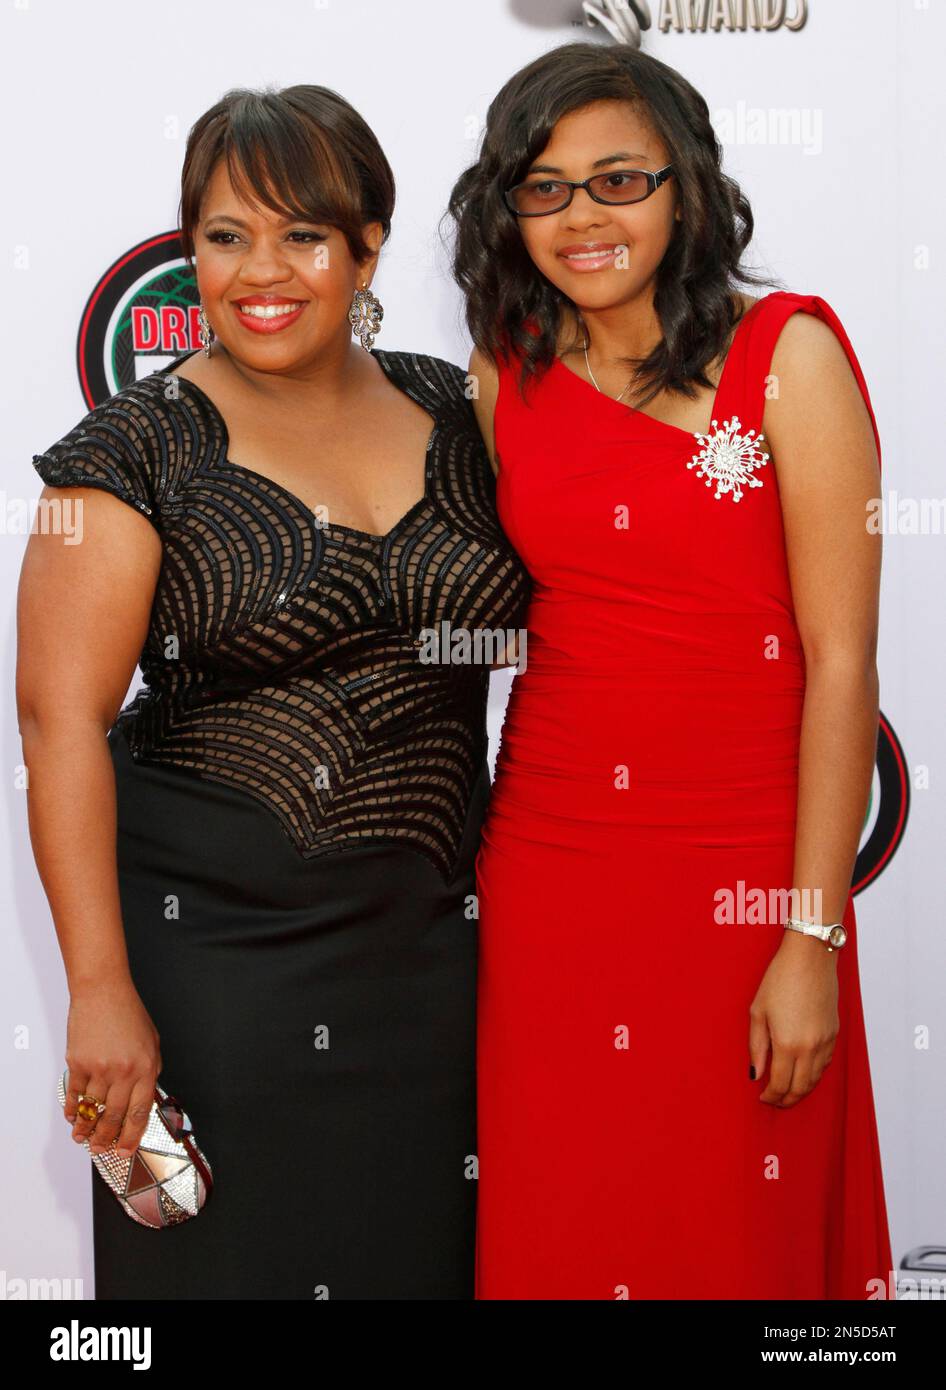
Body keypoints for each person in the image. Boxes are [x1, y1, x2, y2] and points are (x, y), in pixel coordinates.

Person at [18, 84, 530, 1300]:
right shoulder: (129, 449)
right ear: (186, 247)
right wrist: (100, 991)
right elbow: (60, 725)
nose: (263, 270)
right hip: (217, 971)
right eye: (223, 234)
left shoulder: (465, 409)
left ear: (367, 246)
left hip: (434, 965)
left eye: (302, 234)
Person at [448, 42, 893, 1299]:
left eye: (618, 178)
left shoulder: (785, 354)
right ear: (509, 210)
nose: (582, 216)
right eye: (544, 187)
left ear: (685, 189)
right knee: (569, 1209)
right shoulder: (504, 373)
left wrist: (810, 931)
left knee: (732, 1225)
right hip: (553, 867)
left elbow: (841, 659)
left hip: (744, 876)